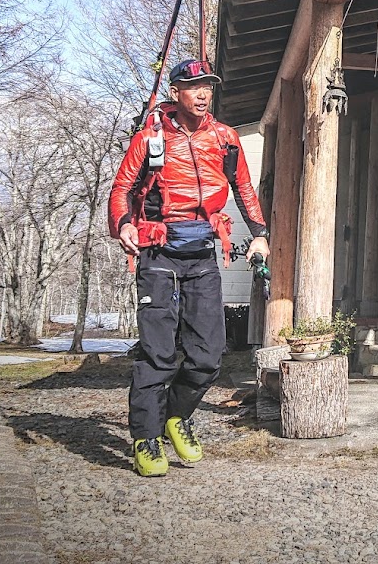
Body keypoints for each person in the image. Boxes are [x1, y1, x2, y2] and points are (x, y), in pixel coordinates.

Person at [108, 58, 269, 477]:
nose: (202, 94)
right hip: (158, 252)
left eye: (208, 87)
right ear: (176, 92)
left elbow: (244, 188)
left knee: (209, 355)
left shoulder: (225, 138)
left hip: (201, 254)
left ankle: (175, 417)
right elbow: (123, 188)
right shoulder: (150, 140)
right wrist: (124, 224)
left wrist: (259, 233)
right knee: (159, 354)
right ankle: (145, 437)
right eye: (193, 87)